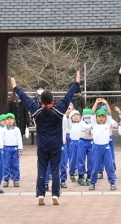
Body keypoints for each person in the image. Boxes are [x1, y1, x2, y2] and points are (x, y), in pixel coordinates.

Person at [11, 71, 81, 206]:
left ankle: (41, 194)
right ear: (52, 100)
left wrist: (15, 87)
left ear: (41, 100)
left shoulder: (37, 111)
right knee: (55, 169)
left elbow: (25, 98)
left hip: (42, 145)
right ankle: (55, 194)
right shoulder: (59, 110)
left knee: (42, 169)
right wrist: (76, 82)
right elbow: (68, 96)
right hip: (56, 145)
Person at [84, 98, 117, 190]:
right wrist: (96, 103)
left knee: (109, 166)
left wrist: (106, 103)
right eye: (99, 116)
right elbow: (93, 113)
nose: (101, 118)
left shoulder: (107, 124)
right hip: (96, 148)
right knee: (95, 166)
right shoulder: (94, 124)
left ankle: (112, 182)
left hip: (106, 148)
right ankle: (92, 183)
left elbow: (110, 114)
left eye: (103, 116)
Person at [2, 112, 23, 187]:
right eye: (7, 119)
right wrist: (2, 148)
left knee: (15, 165)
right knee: (6, 164)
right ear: (5, 121)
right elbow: (2, 140)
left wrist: (20, 149)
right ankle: (6, 179)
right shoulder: (3, 130)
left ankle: (16, 179)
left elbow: (19, 139)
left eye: (11, 119)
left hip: (15, 148)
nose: (9, 121)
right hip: (6, 148)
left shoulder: (16, 129)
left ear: (14, 120)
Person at [76, 108, 94, 186]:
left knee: (91, 159)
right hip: (82, 141)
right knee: (81, 159)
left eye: (89, 117)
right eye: (86, 117)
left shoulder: (94, 122)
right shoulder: (81, 123)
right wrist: (91, 127)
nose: (88, 119)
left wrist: (91, 127)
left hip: (91, 141)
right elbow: (84, 127)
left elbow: (93, 127)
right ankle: (81, 176)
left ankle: (89, 176)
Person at [65, 107, 82, 182]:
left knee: (80, 159)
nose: (76, 116)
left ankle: (80, 174)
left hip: (80, 142)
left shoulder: (82, 124)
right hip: (73, 143)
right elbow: (67, 123)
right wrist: (68, 114)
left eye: (77, 115)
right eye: (74, 116)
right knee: (73, 158)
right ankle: (72, 172)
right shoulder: (70, 125)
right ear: (71, 118)